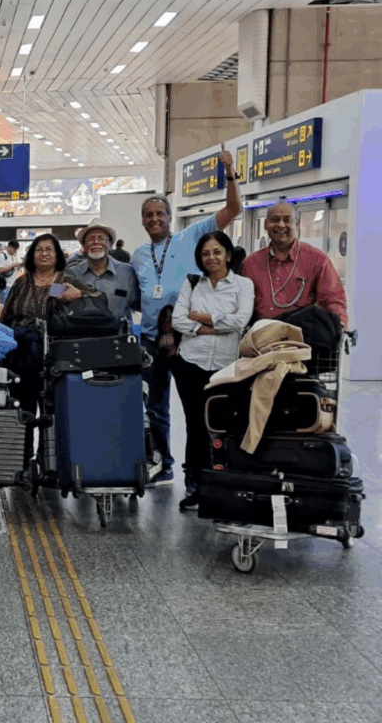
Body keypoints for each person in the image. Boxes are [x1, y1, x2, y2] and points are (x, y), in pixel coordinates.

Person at [133, 143, 242, 488]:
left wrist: (229, 172)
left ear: (169, 216)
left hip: (187, 339)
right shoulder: (138, 254)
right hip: (152, 340)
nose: (154, 219)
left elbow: (234, 208)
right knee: (156, 409)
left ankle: (198, 474)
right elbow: (135, 297)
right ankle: (164, 464)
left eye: (159, 214)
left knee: (197, 410)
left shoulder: (191, 235)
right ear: (143, 221)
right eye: (148, 215)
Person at [171, 231, 254, 509]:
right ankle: (196, 485)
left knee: (225, 427)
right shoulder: (193, 283)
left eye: (217, 252)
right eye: (206, 253)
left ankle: (225, 485)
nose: (212, 258)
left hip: (227, 367)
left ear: (228, 255)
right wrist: (213, 326)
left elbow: (241, 320)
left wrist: (202, 318)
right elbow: (178, 320)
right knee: (195, 425)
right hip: (190, 363)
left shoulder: (243, 285)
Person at [0, 234, 99, 417]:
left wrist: (79, 294)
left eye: (49, 250)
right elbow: (6, 317)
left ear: (57, 255)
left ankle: (48, 447)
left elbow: (99, 297)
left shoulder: (65, 281)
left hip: (55, 358)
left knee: (52, 414)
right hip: (20, 357)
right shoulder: (22, 283)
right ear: (31, 255)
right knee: (21, 412)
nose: (44, 253)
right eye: (39, 250)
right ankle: (25, 446)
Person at [240, 202, 348, 327]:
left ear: (297, 224)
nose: (281, 225)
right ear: (265, 224)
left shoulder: (317, 260)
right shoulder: (250, 264)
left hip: (303, 341)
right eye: (275, 219)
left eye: (287, 220)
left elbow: (334, 301)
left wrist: (337, 329)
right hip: (259, 341)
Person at [65, 223, 140, 324]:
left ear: (110, 245)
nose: (96, 242)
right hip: (81, 337)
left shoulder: (128, 273)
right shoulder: (71, 272)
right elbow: (53, 293)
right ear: (84, 246)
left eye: (101, 238)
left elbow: (140, 304)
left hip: (118, 337)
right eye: (91, 239)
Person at [0, 240, 21, 305]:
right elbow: (0, 269)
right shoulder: (1, 256)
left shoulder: (11, 257)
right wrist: (13, 265)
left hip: (11, 284)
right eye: (14, 249)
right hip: (4, 285)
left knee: (10, 305)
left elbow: (10, 268)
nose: (15, 251)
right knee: (3, 305)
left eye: (16, 250)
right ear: (9, 247)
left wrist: (16, 267)